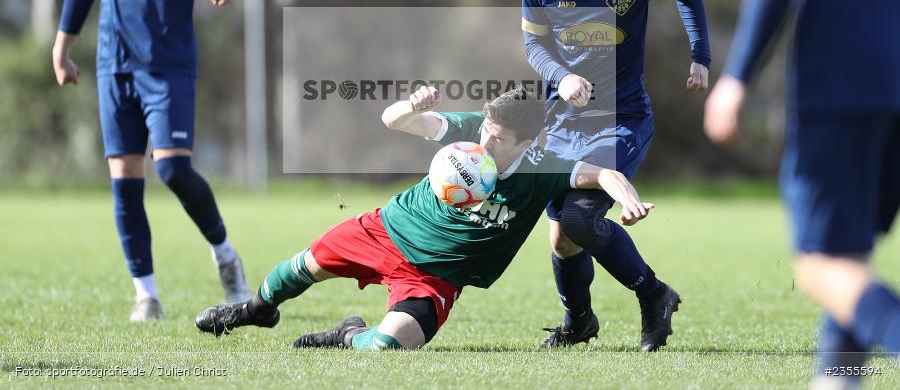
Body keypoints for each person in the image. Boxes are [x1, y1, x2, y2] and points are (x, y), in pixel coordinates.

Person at [195, 86, 655, 350]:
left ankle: (347, 334)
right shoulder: (469, 130)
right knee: (300, 268)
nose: (484, 144)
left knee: (386, 347)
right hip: (386, 230)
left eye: (498, 139)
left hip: (435, 277)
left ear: (526, 142)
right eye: (486, 130)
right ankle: (255, 311)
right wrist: (412, 107)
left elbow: (605, 174)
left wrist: (628, 200)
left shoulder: (544, 168)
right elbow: (393, 120)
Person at [704, 0, 900, 385]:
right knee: (849, 256)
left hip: (846, 75)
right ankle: (837, 378)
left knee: (819, 266)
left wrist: (737, 75)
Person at [50, 0, 250, 322]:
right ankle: (147, 294)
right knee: (125, 180)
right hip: (114, 65)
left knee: (173, 169)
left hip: (168, 64)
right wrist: (62, 45)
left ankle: (225, 255)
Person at [521, 0, 712, 350]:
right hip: (562, 124)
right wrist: (561, 75)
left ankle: (654, 294)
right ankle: (579, 321)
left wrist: (700, 57)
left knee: (581, 219)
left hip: (621, 119)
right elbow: (533, 44)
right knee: (562, 238)